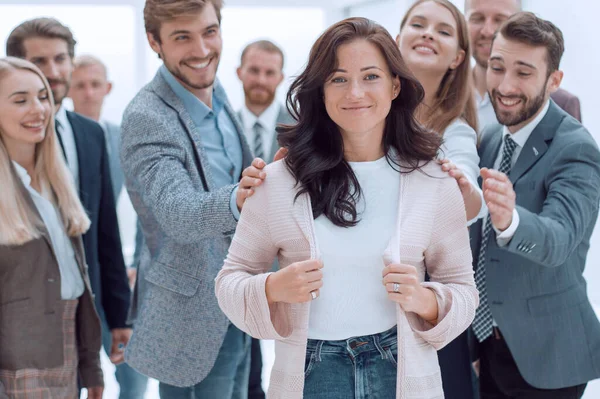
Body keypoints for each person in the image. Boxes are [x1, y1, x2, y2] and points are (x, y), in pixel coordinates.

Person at [216, 17, 479, 399]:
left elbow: (463, 290)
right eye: (338, 79)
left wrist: (425, 299)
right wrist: (273, 286)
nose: (355, 92)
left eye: (370, 76)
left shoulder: (433, 179)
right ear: (320, 91)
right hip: (312, 373)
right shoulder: (278, 180)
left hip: (400, 368)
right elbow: (229, 281)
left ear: (394, 86)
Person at [120, 0, 270, 397]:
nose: (202, 51)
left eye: (209, 32)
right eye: (182, 37)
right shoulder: (146, 116)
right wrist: (240, 196)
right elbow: (178, 213)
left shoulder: (217, 92)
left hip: (241, 296)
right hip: (193, 315)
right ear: (155, 42)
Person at [472, 12, 600, 398]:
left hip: (548, 355)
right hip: (489, 344)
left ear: (554, 80)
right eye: (498, 67)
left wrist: (510, 220)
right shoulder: (493, 135)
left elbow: (559, 240)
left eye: (524, 72)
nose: (506, 85)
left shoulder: (576, 148)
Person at [6, 17, 133, 367]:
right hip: (18, 317)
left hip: (81, 312)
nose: (54, 70)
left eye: (61, 59)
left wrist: (119, 314)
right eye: (40, 61)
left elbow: (106, 228)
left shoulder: (91, 134)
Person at [0, 56, 103, 399]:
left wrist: (92, 368)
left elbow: (78, 284)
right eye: (20, 100)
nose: (38, 109)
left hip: (68, 354)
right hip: (16, 367)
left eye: (42, 97)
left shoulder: (56, 185)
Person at [396, 1, 484, 397]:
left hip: (426, 299)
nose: (428, 32)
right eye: (418, 24)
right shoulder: (361, 113)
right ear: (397, 39)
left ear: (457, 58)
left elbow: (467, 187)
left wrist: (462, 189)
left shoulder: (456, 130)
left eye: (443, 31)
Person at [69, 54, 149, 399]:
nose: (88, 92)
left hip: (117, 275)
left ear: (108, 88)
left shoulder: (121, 139)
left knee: (132, 369)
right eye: (80, 85)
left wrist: (133, 264)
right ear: (68, 89)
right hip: (76, 277)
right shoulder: (56, 138)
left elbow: (142, 206)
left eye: (95, 84)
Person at [236, 39, 295, 399]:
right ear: (239, 72)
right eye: (253, 70)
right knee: (242, 368)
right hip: (237, 256)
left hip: (285, 260)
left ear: (280, 77)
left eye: (269, 72)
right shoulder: (221, 126)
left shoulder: (300, 128)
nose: (260, 79)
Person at [465, 0, 582, 131]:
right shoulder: (443, 92)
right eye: (477, 19)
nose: (487, 31)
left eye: (500, 20)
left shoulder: (562, 104)